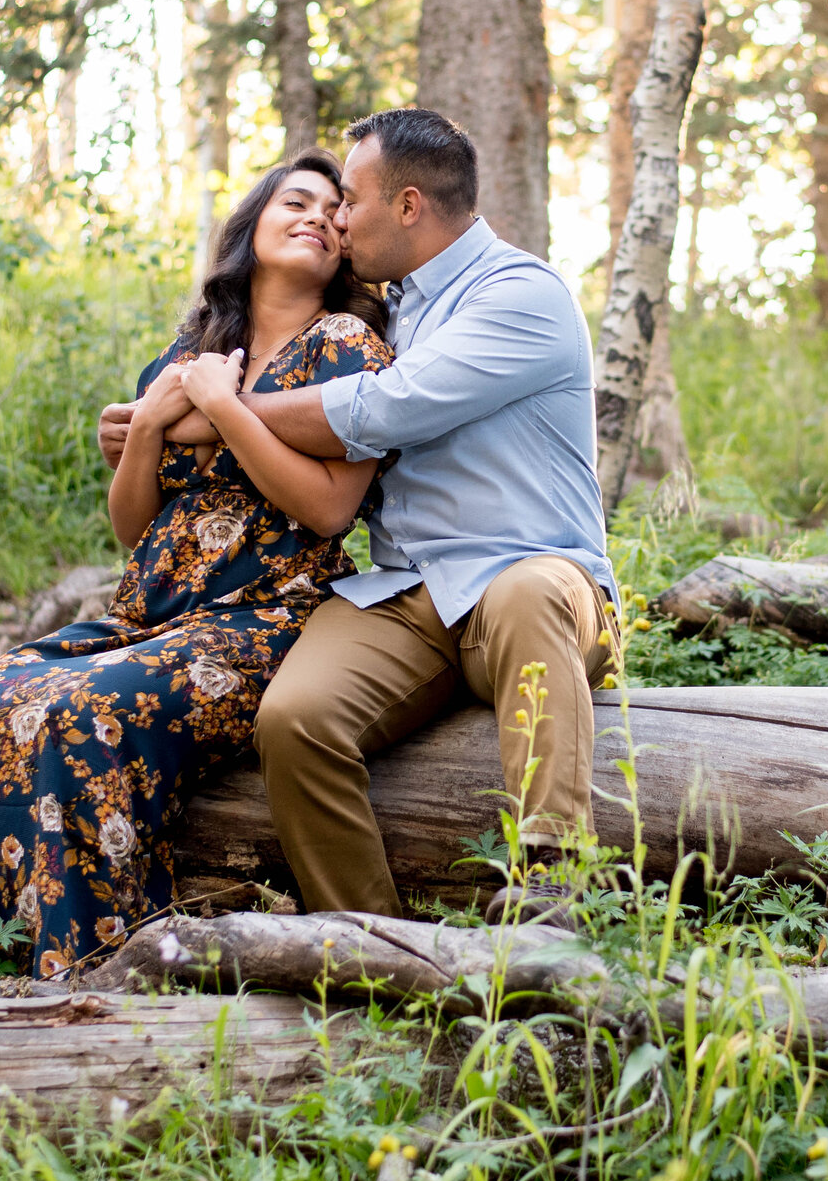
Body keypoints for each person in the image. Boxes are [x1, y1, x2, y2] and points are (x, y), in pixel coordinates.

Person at [99, 106, 616, 917]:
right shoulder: (393, 310)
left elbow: (382, 409)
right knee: (296, 718)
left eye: (351, 200)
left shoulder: (521, 294)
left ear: (407, 206)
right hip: (410, 591)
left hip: (532, 578)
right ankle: (370, 942)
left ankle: (554, 892)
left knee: (527, 591)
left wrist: (202, 415)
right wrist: (149, 431)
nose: (337, 218)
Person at [0, 152, 392, 980]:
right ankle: (5, 950)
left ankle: (111, 971)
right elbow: (130, 523)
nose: (318, 218)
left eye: (336, 213)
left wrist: (221, 408)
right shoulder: (187, 352)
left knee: (89, 717)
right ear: (253, 222)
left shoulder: (347, 344)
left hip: (266, 619)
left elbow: (329, 509)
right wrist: (148, 425)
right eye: (297, 200)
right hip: (148, 616)